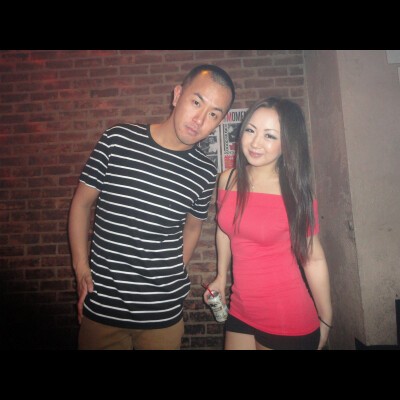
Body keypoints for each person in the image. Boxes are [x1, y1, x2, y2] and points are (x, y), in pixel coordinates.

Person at [68, 64, 235, 350]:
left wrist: (176, 267)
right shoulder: (118, 140)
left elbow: (193, 227)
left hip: (163, 314)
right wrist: (81, 267)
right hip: (104, 305)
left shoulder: (205, 172)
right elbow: (81, 205)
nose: (199, 120)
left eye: (213, 114)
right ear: (177, 95)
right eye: (197, 102)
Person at [204, 97, 332, 350]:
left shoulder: (295, 193)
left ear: (288, 144)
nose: (255, 143)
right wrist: (221, 276)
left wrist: (326, 318)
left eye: (270, 136)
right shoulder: (228, 179)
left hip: (287, 316)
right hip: (241, 309)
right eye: (250, 130)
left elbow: (314, 258)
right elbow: (225, 230)